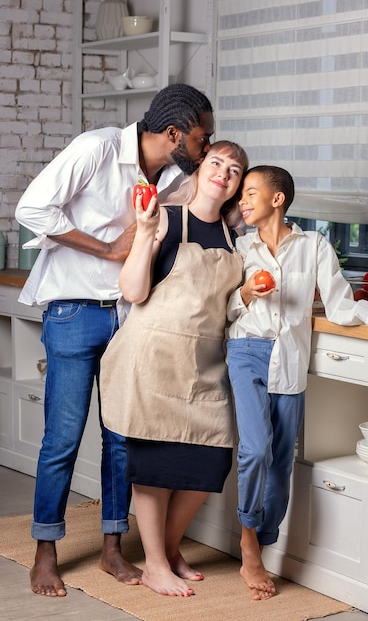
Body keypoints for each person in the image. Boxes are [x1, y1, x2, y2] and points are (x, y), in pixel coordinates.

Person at [14, 83, 215, 598]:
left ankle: (111, 549)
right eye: (201, 138)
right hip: (74, 310)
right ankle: (45, 551)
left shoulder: (173, 175)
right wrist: (106, 248)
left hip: (131, 316)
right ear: (172, 134)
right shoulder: (97, 148)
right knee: (62, 438)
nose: (206, 148)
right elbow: (32, 209)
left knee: (122, 438)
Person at [225, 165, 368, 601]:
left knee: (283, 457)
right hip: (247, 350)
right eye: (241, 195)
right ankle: (249, 544)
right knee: (255, 448)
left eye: (251, 193)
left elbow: (341, 301)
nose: (243, 201)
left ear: (278, 198)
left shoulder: (314, 246)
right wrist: (248, 292)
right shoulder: (239, 247)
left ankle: (265, 536)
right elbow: (226, 308)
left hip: (289, 360)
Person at [99, 140, 249, 597]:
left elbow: (229, 307)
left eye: (235, 170)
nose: (224, 172)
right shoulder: (164, 217)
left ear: (239, 185)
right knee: (155, 466)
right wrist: (144, 235)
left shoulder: (234, 240)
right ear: (200, 168)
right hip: (154, 357)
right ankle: (157, 565)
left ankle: (165, 550)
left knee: (210, 460)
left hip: (203, 364)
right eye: (217, 163)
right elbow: (133, 290)